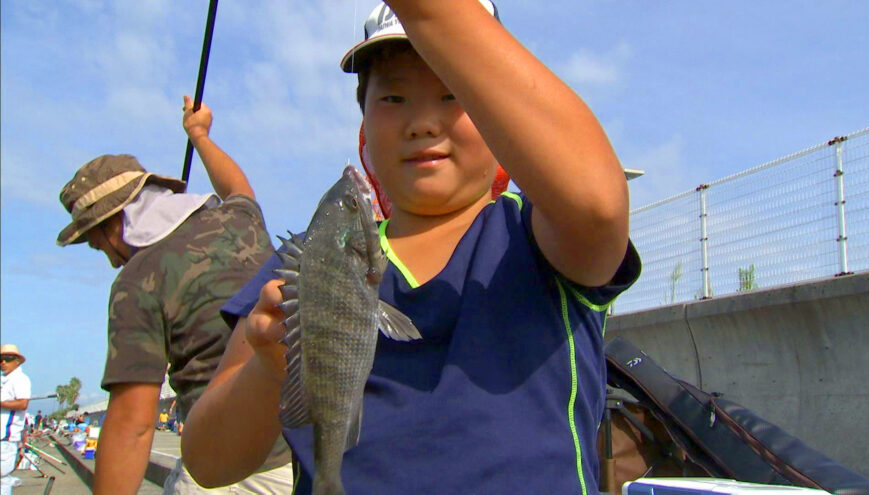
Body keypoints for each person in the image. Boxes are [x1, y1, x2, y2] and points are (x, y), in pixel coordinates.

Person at [183, 1, 641, 493]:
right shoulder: (311, 258)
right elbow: (208, 464)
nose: (422, 122)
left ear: (503, 115)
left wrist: (433, 16)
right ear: (363, 126)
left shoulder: (544, 237)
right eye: (393, 99)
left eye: (453, 93)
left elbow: (598, 205)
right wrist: (270, 365)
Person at [57, 96, 293, 494]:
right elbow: (237, 185)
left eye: (100, 247)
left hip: (232, 470)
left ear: (115, 225)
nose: (113, 262)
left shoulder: (135, 281)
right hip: (309, 450)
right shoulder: (239, 216)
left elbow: (133, 425)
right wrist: (199, 135)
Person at [1, 345, 32, 495]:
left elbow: (22, 403)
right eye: (0, 359)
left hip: (6, 439)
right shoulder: (5, 380)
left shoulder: (20, 379)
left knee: (2, 478)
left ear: (17, 361)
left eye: (7, 359)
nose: (3, 363)